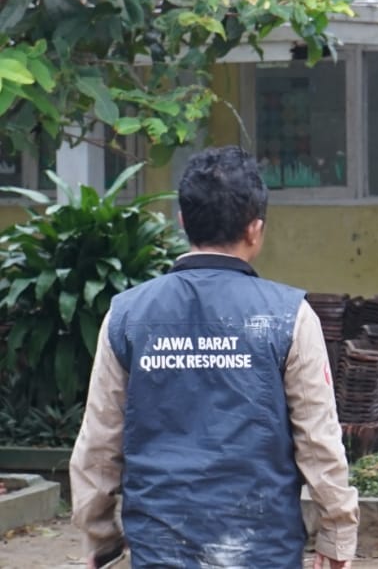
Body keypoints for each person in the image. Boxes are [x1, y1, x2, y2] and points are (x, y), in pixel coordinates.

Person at [70, 145, 358, 568]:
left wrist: (102, 542)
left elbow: (98, 446)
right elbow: (319, 442)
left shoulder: (127, 315)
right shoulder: (291, 316)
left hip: (158, 553)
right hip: (262, 551)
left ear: (183, 221)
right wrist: (336, 538)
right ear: (255, 230)